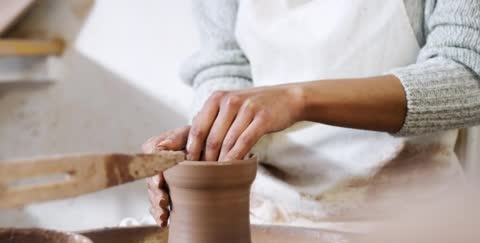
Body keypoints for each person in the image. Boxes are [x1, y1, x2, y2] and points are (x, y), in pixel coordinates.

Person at [143, 0, 480, 228]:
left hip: (408, 222)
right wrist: (204, 140)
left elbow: (468, 75)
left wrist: (298, 99)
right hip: (262, 213)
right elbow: (226, 63)